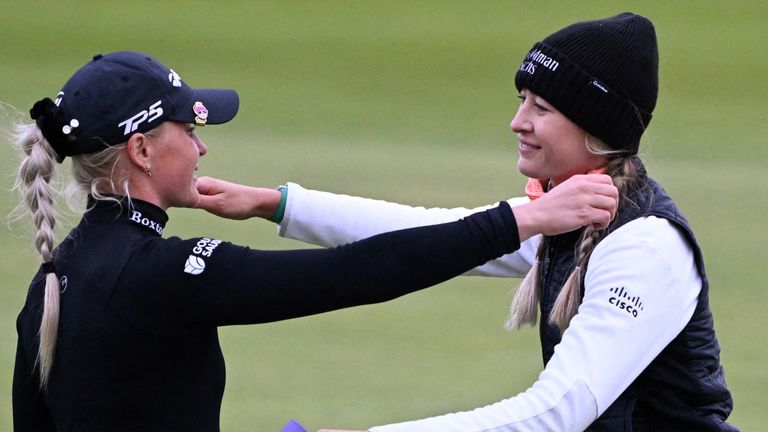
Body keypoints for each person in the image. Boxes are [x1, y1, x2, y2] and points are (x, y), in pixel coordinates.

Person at [9, 51, 618, 431]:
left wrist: (273, 202)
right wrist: (525, 221)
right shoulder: (160, 273)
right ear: (141, 150)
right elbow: (361, 273)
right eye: (189, 129)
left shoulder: (55, 277)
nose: (201, 147)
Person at [209, 12, 737, 431]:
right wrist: (275, 204)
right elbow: (432, 234)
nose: (518, 121)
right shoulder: (573, 213)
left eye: (543, 108)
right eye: (521, 100)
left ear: (596, 128)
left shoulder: (642, 247)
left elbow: (559, 411)